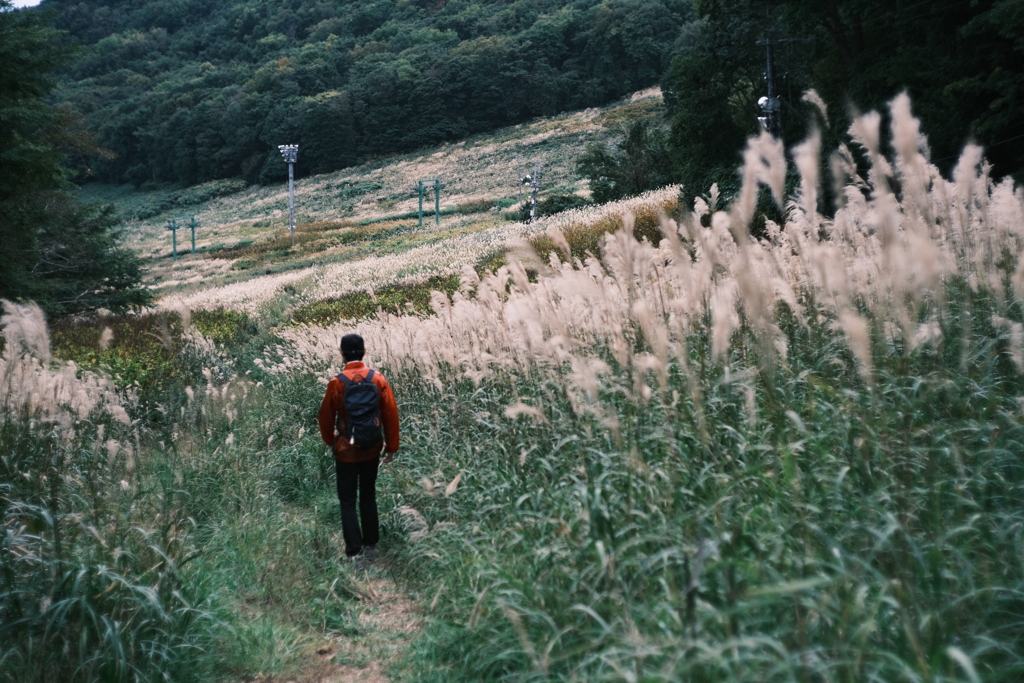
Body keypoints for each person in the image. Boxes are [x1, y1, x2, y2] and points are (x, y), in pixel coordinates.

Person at [318, 333, 400, 566]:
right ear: (364, 352)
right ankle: (371, 546)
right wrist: (391, 447)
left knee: (347, 501)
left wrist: (331, 440)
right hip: (372, 449)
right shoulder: (378, 379)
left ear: (342, 353)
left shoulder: (337, 382)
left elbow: (325, 417)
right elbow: (391, 414)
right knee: (368, 495)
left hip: (345, 450)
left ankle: (354, 553)